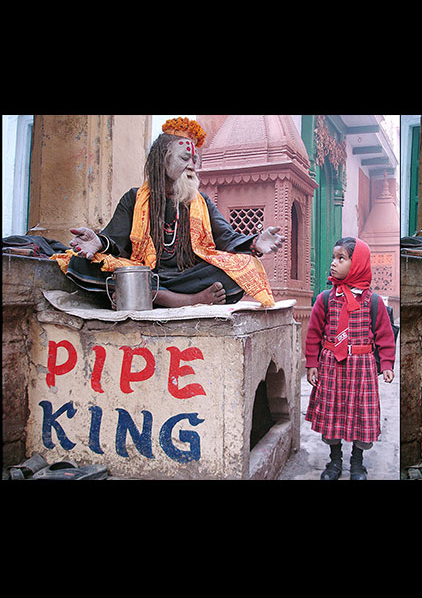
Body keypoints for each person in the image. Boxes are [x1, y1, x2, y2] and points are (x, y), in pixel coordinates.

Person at [51, 117, 285, 308]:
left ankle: (149, 298)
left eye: (195, 159)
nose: (192, 165)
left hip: (188, 278)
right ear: (163, 159)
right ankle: (191, 301)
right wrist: (98, 243)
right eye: (185, 158)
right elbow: (116, 242)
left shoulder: (201, 201)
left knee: (244, 267)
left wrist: (255, 243)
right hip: (142, 274)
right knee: (82, 265)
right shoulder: (134, 198)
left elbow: (227, 239)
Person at [304, 237, 396, 480]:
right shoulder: (325, 299)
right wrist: (311, 363)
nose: (334, 263)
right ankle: (334, 460)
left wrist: (386, 364)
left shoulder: (373, 302)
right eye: (334, 258)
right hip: (331, 365)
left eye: (341, 258)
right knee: (331, 413)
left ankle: (357, 462)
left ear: (357, 264)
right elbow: (313, 333)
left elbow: (385, 337)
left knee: (360, 415)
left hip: (361, 368)